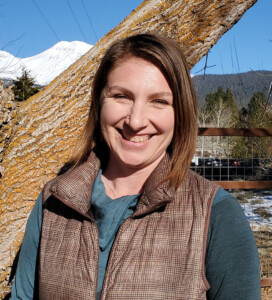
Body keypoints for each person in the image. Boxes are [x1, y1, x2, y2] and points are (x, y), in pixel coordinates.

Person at [11, 33, 261, 300]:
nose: (136, 120)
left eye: (159, 101)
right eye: (122, 96)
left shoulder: (215, 215)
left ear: (180, 113)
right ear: (99, 103)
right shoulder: (54, 201)